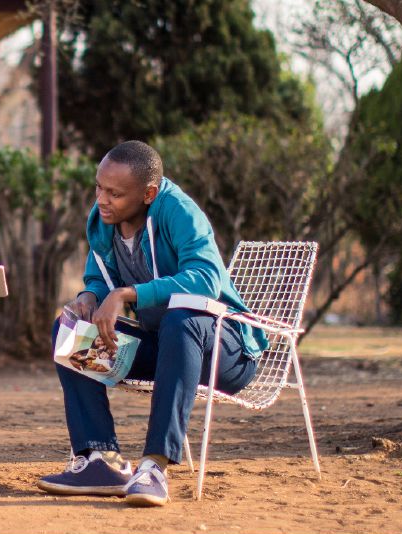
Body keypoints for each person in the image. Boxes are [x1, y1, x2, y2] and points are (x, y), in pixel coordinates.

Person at [36, 141, 268, 507]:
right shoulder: (103, 220)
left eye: (115, 193)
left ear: (148, 193)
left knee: (182, 318)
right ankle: (101, 460)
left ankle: (154, 467)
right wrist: (88, 299)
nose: (103, 200)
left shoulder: (178, 212)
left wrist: (128, 294)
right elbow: (98, 278)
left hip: (224, 354)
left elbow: (205, 279)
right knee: (69, 331)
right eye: (99, 188)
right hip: (166, 349)